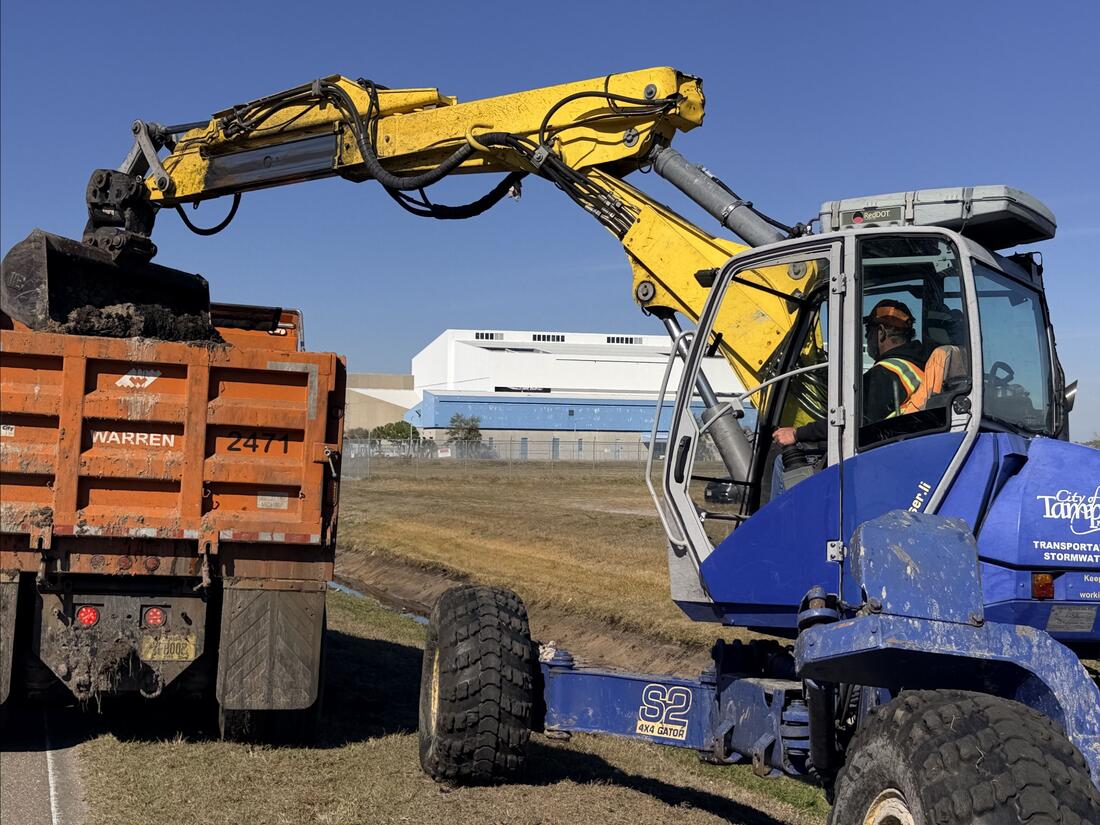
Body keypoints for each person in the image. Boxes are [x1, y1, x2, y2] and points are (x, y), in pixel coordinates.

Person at [772, 299, 927, 447]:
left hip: (880, 452)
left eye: (868, 331)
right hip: (898, 443)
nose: (866, 337)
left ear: (881, 332)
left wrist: (797, 434)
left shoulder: (886, 373)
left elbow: (848, 420)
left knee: (783, 461)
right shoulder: (916, 365)